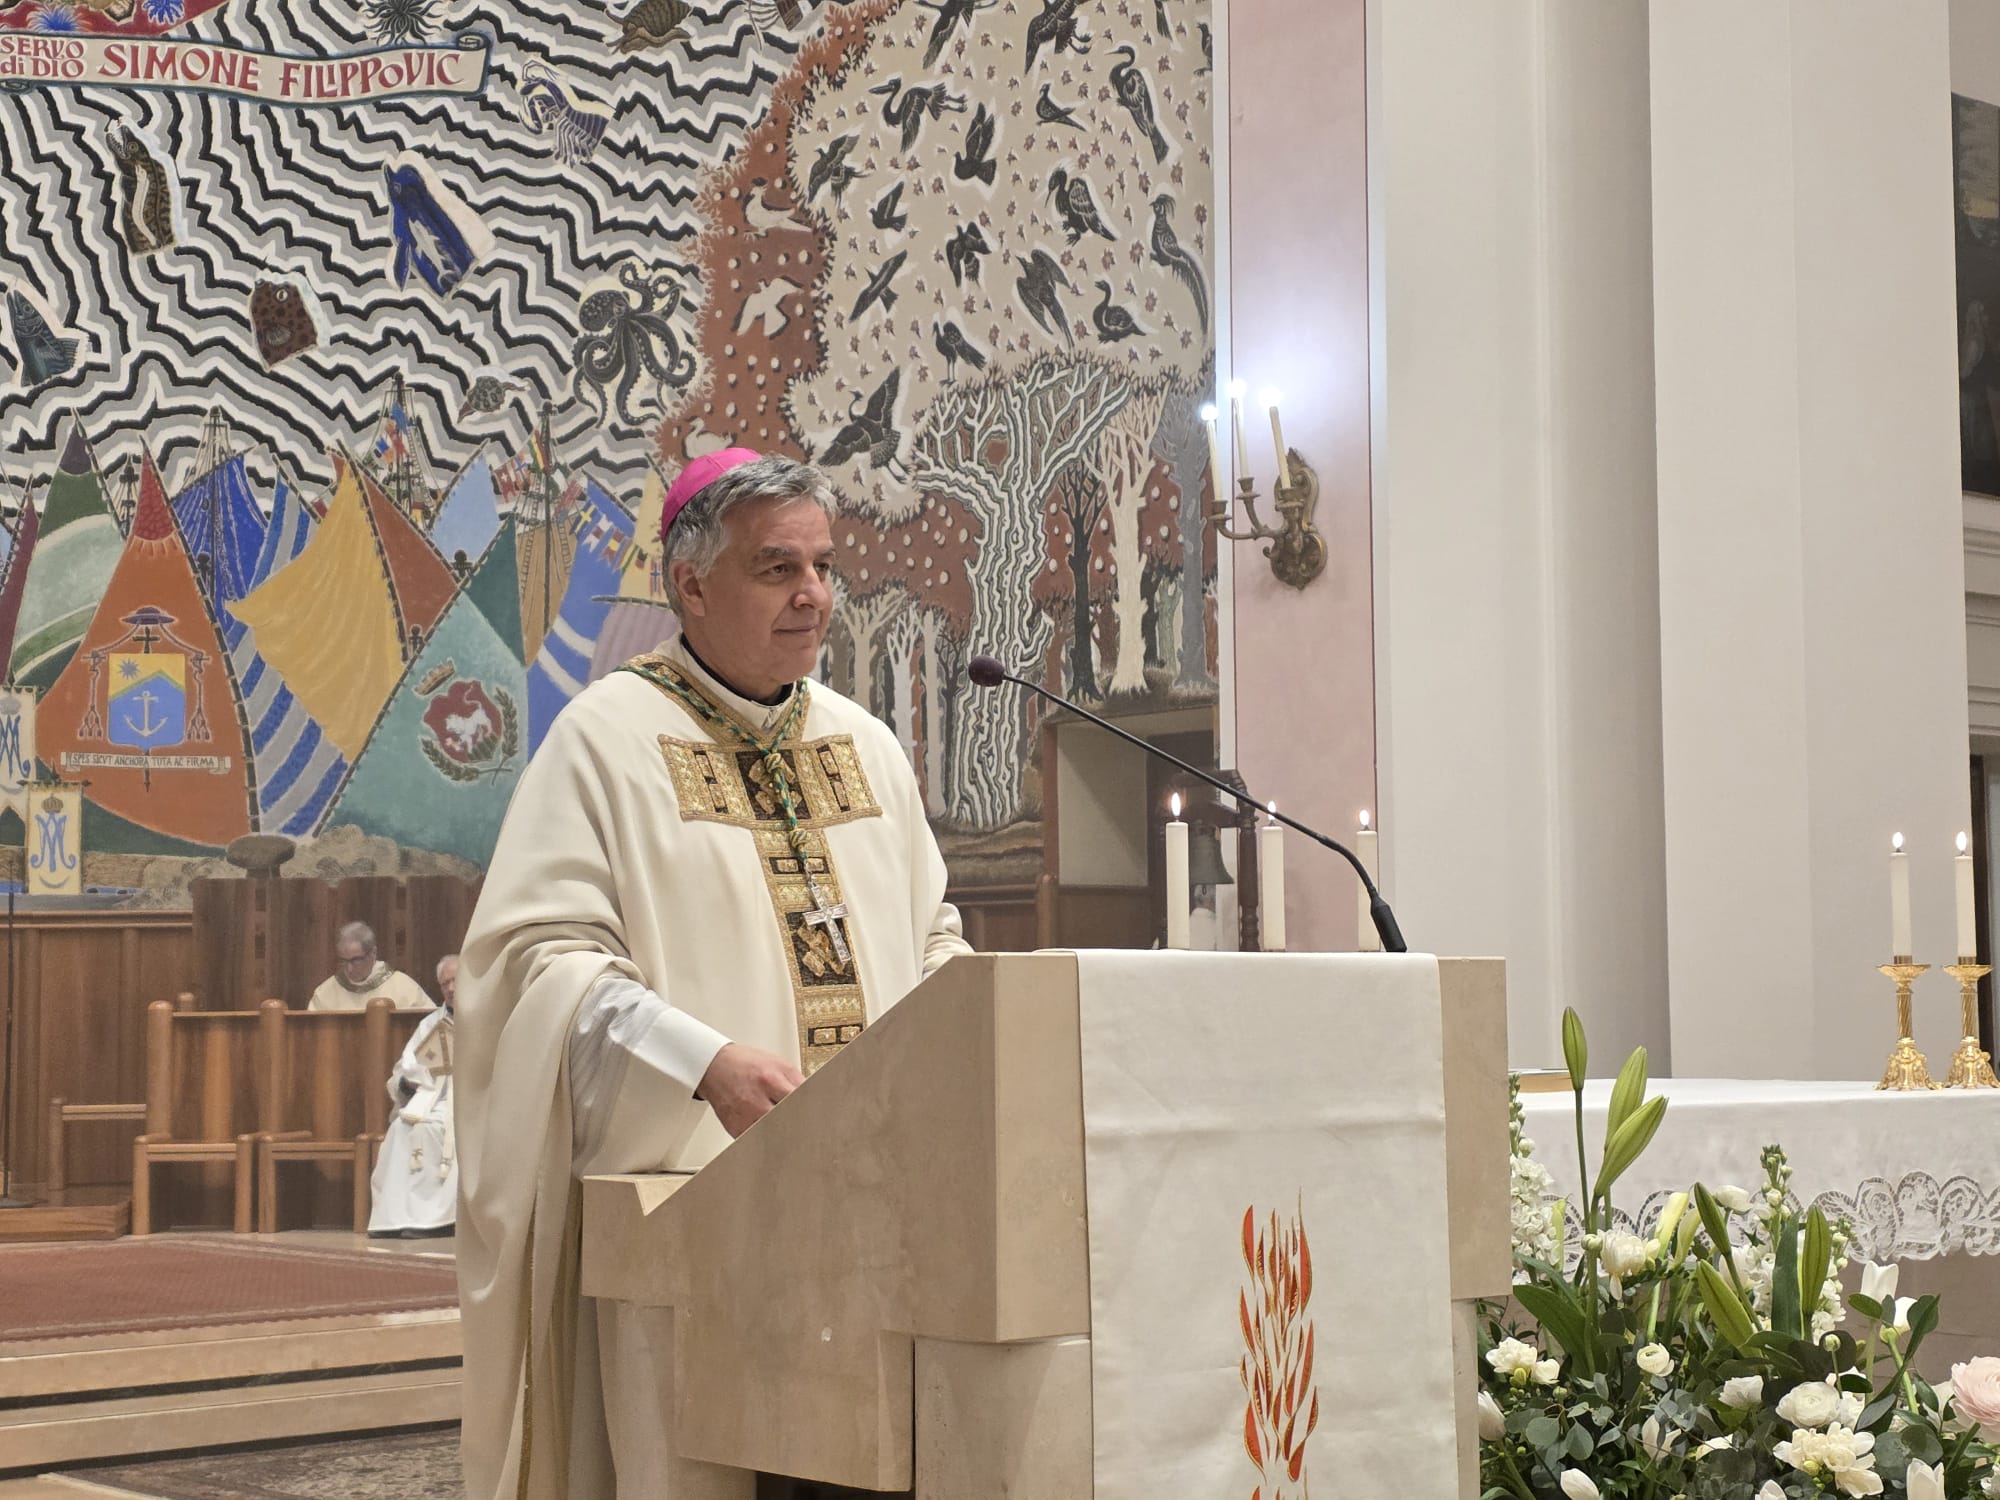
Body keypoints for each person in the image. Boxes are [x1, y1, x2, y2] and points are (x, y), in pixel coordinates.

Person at [455, 449, 972, 1500]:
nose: (812, 594)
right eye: (777, 568)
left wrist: (969, 1032)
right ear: (690, 585)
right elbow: (539, 967)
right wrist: (700, 1063)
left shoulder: (867, 746)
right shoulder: (606, 740)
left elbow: (933, 940)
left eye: (822, 565)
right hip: (697, 1204)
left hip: (878, 1198)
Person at [366, 954, 458, 1239]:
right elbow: (404, 1068)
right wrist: (408, 1082)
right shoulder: (430, 1025)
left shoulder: (487, 1020)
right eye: (444, 984)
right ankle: (393, 1218)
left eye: (456, 981)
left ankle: (437, 1220)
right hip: (430, 1098)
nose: (451, 989)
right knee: (401, 1129)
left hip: (467, 1103)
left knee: (433, 1129)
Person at [306, 921, 435, 1012]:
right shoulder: (325, 993)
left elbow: (431, 1025)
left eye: (355, 960)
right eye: (343, 961)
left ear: (373, 953)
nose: (349, 969)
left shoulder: (404, 988)